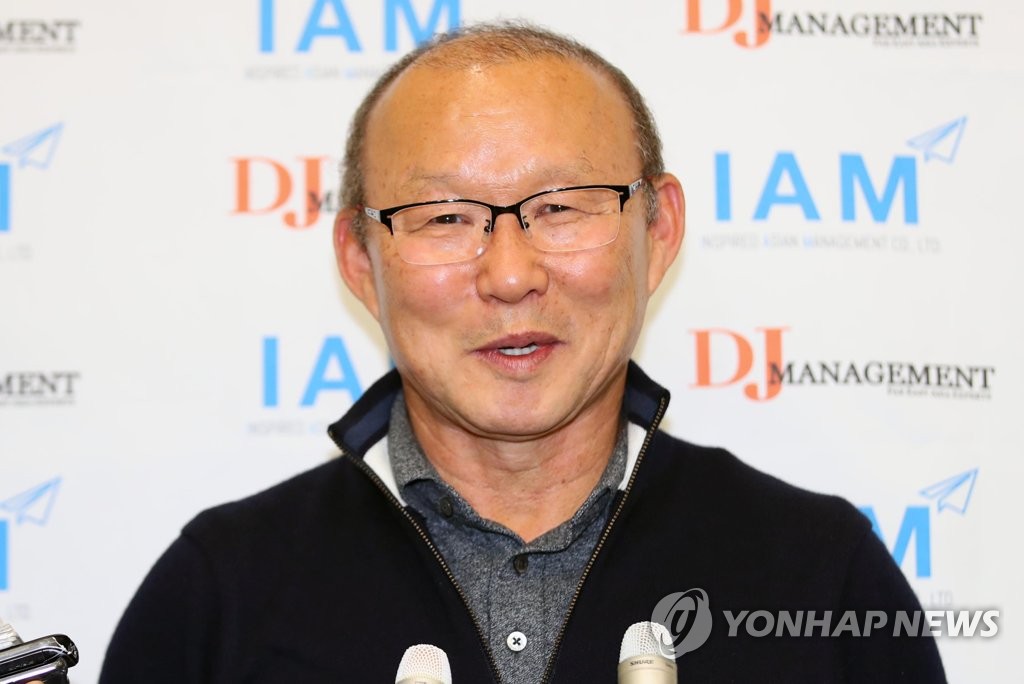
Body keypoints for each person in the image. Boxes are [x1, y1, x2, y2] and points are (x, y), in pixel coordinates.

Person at [99, 22, 945, 683]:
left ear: (659, 231)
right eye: (445, 218)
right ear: (359, 259)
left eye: (563, 207)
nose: (510, 275)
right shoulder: (219, 595)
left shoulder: (820, 574)